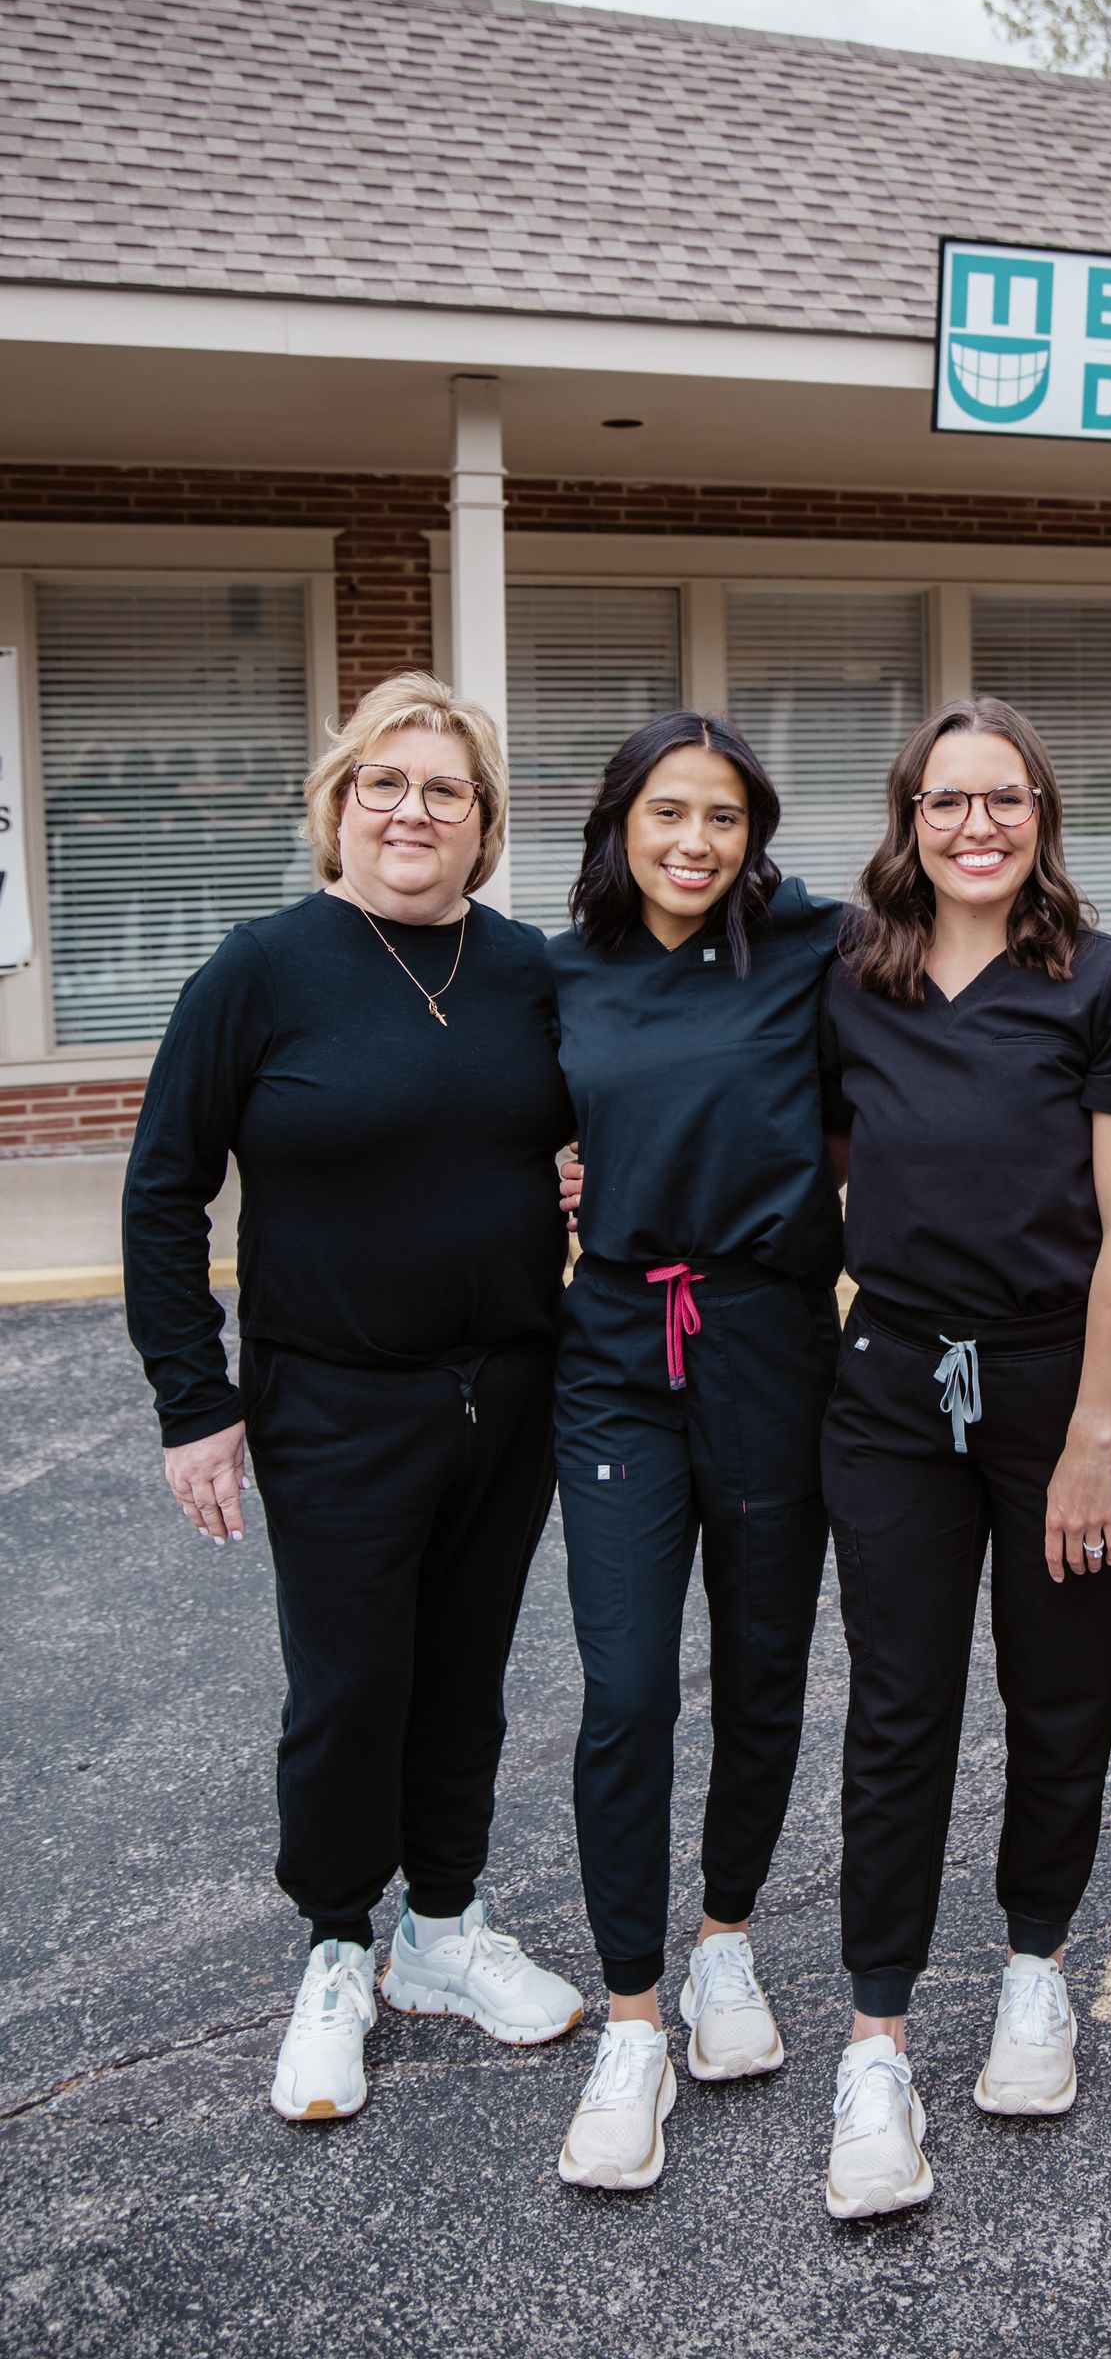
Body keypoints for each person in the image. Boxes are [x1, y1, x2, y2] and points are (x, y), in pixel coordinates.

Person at [123, 673, 583, 2127]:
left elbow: (606, 1124)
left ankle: (440, 1933)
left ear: (484, 823)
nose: (412, 811)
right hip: (333, 1401)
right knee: (349, 1691)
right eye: (385, 783)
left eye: (445, 790)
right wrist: (193, 1402)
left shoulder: (529, 975)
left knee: (464, 1678)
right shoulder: (259, 971)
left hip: (511, 1393)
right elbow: (161, 1194)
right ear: (339, 802)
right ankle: (336, 1945)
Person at [816, 697, 1111, 2220]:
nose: (977, 827)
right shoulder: (853, 978)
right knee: (899, 1707)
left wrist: (1095, 1441)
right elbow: (845, 1160)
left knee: (1061, 1696)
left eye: (1006, 800)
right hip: (896, 1386)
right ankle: (878, 2037)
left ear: (1045, 816)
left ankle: (1036, 1965)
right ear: (909, 821)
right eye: (946, 802)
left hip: (1064, 1389)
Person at [546, 714, 844, 2192]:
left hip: (775, 1342)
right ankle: (631, 2015)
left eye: (725, 818)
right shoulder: (562, 969)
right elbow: (492, 1129)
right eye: (669, 812)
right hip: (613, 1353)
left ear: (755, 836)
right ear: (621, 824)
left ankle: (726, 1940)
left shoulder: (815, 949)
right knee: (626, 1687)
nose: (695, 842)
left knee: (764, 1665)